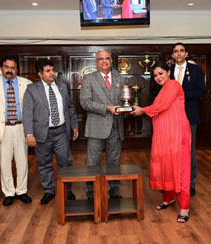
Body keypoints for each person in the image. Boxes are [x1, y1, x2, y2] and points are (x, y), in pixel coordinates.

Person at [131, 62, 191, 223]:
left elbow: (161, 106)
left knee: (180, 169)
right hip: (164, 134)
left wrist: (142, 109)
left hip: (177, 134)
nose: (158, 77)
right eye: (155, 75)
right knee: (165, 165)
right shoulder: (163, 88)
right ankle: (169, 198)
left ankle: (184, 208)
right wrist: (142, 108)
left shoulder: (174, 85)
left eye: (160, 73)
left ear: (168, 72)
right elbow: (158, 107)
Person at [22, 58, 78, 205]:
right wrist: (29, 134)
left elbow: (70, 107)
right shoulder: (32, 90)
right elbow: (27, 113)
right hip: (42, 134)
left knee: (65, 162)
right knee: (44, 163)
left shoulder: (62, 87)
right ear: (40, 74)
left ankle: (67, 190)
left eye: (53, 70)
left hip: (61, 132)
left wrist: (74, 125)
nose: (52, 73)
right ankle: (49, 191)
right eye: (48, 71)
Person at [0, 56, 32, 206]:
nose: (9, 70)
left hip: (21, 127)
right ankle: (9, 192)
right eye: (6, 67)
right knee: (4, 162)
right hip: (2, 128)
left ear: (17, 69)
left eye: (13, 67)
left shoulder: (26, 84)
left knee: (22, 162)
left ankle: (21, 191)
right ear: (1, 68)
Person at [80, 50, 125, 200]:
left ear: (112, 61)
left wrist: (127, 106)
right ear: (96, 62)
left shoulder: (120, 78)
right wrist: (107, 108)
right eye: (101, 59)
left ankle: (114, 190)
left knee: (114, 161)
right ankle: (91, 192)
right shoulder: (88, 78)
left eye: (107, 59)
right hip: (96, 127)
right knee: (93, 161)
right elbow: (85, 102)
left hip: (116, 127)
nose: (104, 61)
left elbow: (124, 100)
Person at [170, 43, 205, 197]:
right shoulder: (167, 70)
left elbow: (201, 91)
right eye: (176, 51)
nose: (178, 54)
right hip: (169, 117)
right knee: (171, 151)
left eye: (181, 51)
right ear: (172, 55)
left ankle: (190, 184)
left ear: (186, 54)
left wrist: (180, 94)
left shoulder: (196, 70)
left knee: (189, 151)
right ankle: (171, 183)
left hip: (189, 117)